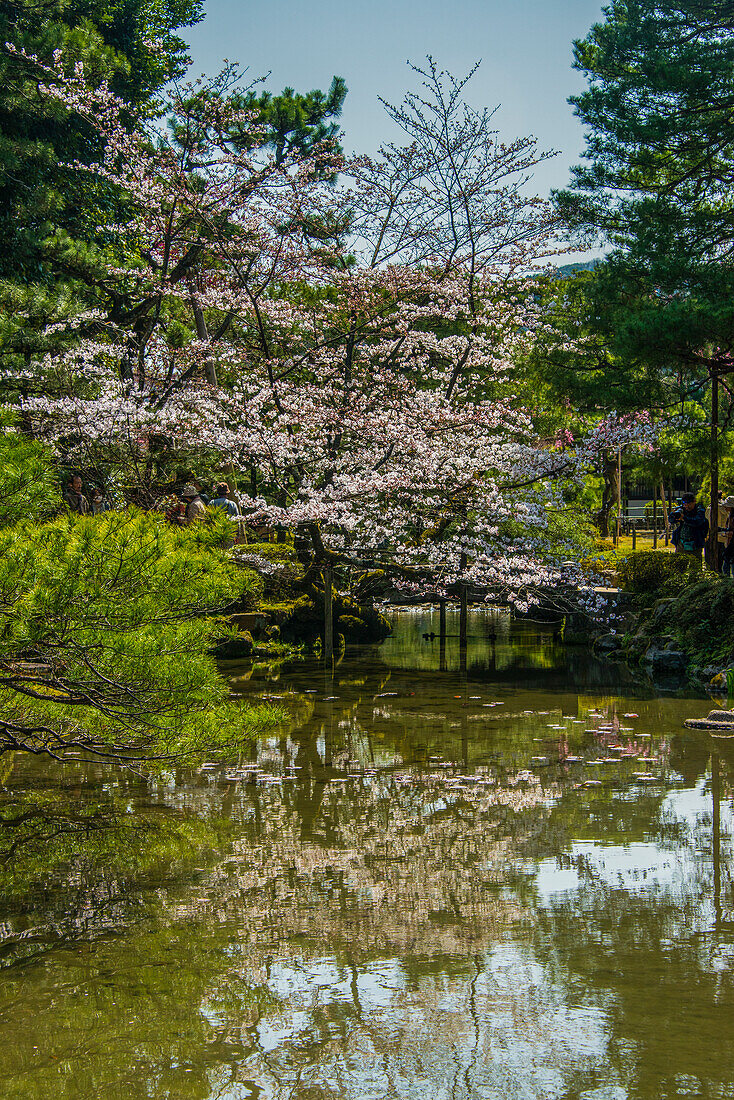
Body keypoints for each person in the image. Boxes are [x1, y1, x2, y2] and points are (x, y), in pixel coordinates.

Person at [670, 491, 709, 560]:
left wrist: (684, 518)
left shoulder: (699, 510)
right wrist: (674, 514)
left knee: (695, 566)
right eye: (685, 504)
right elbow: (671, 520)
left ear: (694, 501)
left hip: (695, 543)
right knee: (679, 565)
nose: (687, 506)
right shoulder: (682, 509)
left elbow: (697, 521)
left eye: (689, 504)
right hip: (681, 543)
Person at [706, 490, 728, 570]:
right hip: (722, 537)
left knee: (710, 562)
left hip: (711, 537)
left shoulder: (709, 507)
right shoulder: (725, 507)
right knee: (721, 563)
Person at [721, 495, 734, 577]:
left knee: (727, 561)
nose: (725, 508)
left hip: (732, 544)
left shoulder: (732, 517)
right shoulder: (730, 516)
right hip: (730, 543)